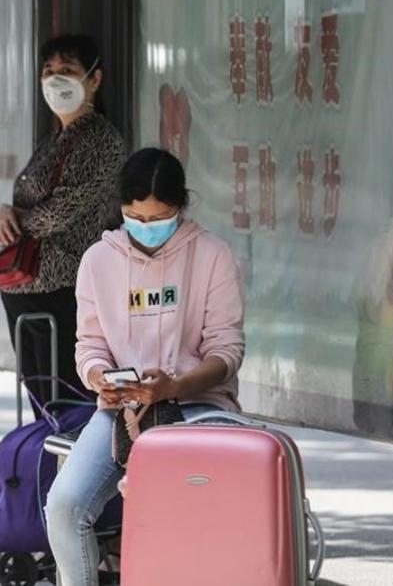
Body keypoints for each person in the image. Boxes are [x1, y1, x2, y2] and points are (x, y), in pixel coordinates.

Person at [44, 148, 246, 586]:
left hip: (198, 406)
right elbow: (90, 346)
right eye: (137, 219)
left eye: (160, 219)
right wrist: (100, 377)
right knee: (64, 505)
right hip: (120, 411)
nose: (148, 230)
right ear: (121, 209)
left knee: (171, 504)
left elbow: (226, 353)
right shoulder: (98, 261)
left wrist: (174, 386)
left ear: (180, 208)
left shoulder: (212, 256)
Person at [0, 34, 126, 407]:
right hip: (26, 287)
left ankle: (69, 466)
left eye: (67, 70)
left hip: (64, 287)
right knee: (40, 398)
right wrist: (4, 214)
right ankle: (49, 465)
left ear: (94, 79)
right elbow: (31, 203)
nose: (55, 79)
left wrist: (13, 222)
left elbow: (64, 207)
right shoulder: (54, 138)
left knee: (67, 397)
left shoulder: (99, 139)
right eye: (48, 71)